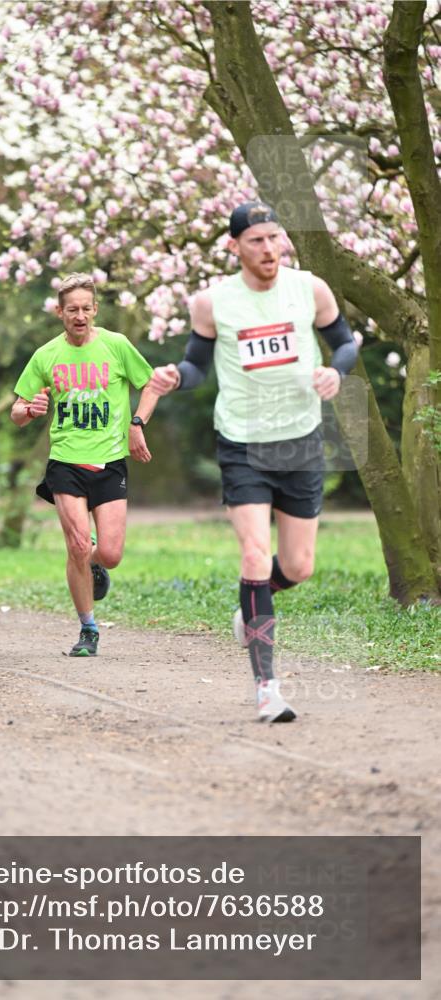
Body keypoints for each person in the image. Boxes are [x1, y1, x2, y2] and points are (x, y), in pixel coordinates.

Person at [150, 202, 358, 722]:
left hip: (300, 441)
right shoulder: (213, 302)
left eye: (274, 238)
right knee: (254, 556)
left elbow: (345, 344)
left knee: (298, 566)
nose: (269, 249)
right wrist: (176, 377)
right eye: (257, 241)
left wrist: (335, 372)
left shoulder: (310, 289)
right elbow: (197, 366)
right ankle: (267, 688)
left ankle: (252, 602)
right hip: (243, 444)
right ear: (234, 247)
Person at [11, 272, 158, 657]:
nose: (79, 316)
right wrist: (30, 409)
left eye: (86, 309)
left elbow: (151, 385)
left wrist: (137, 424)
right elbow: (17, 411)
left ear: (95, 310)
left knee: (110, 554)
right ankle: (88, 629)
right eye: (72, 309)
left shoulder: (116, 345)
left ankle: (93, 563)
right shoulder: (46, 355)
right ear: (60, 312)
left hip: (109, 462)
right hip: (65, 462)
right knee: (77, 545)